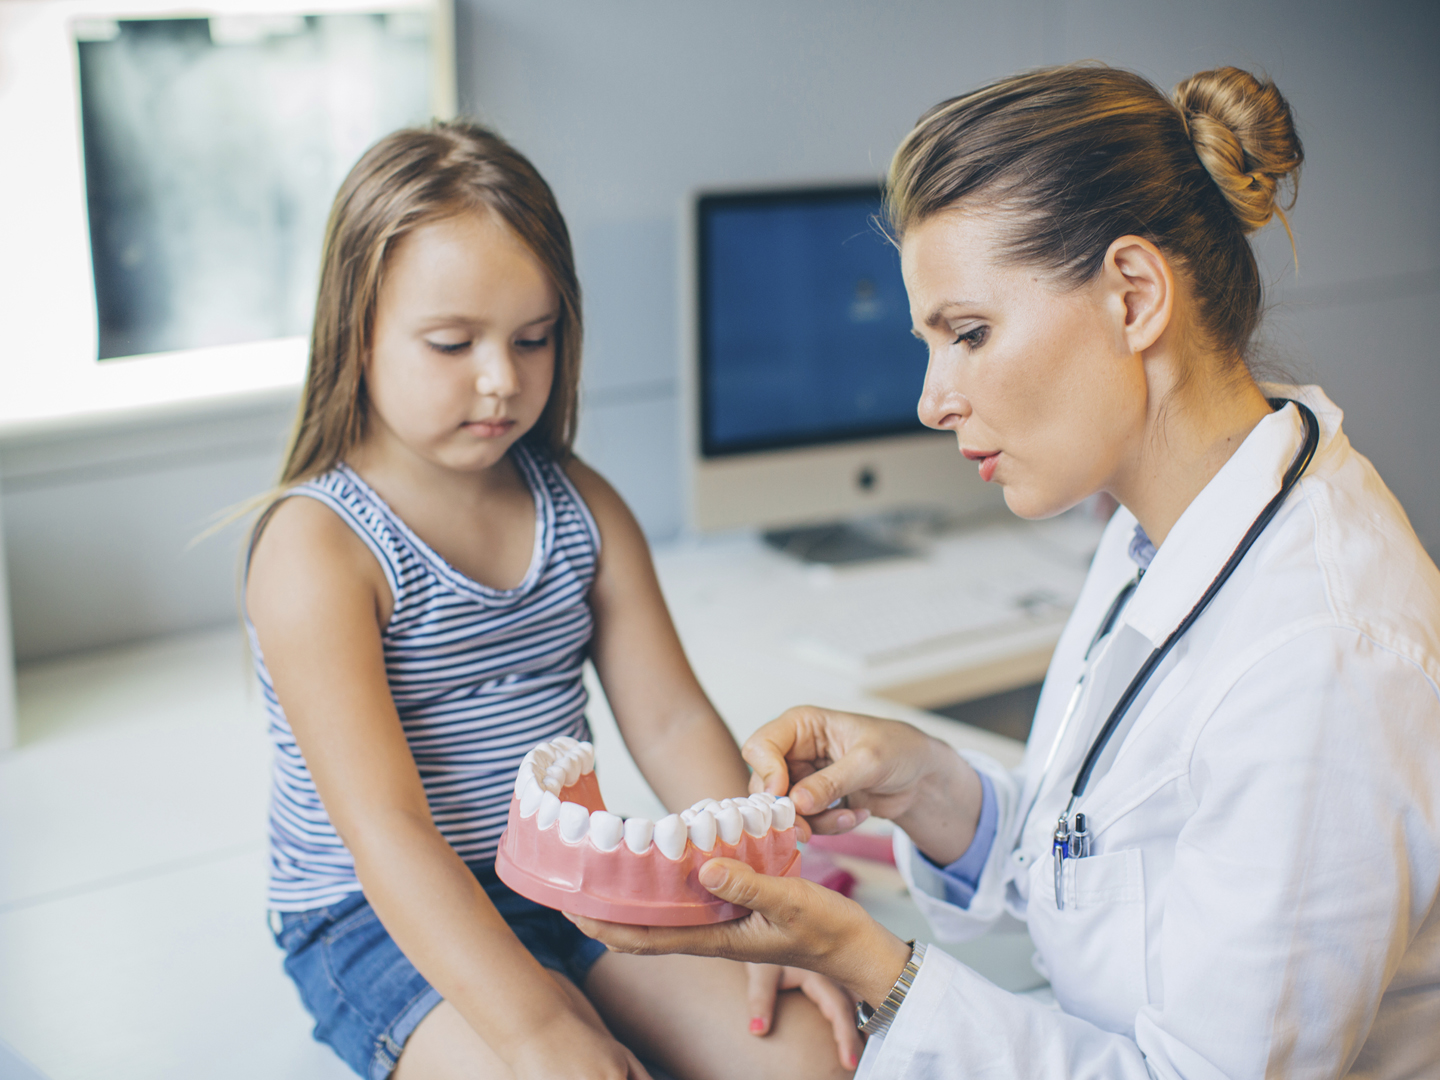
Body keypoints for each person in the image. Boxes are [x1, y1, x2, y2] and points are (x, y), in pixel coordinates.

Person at [570, 65, 1440, 1077]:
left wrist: (866, 965)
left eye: (969, 334)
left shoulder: (1325, 657)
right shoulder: (1167, 520)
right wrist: (928, 785)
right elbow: (1110, 859)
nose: (933, 400)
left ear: (1134, 297)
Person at [245, 121, 862, 1080]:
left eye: (533, 339)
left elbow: (668, 720)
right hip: (375, 915)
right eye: (453, 343)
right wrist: (542, 1031)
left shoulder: (581, 507)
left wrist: (775, 918)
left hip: (570, 874)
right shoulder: (316, 550)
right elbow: (387, 832)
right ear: (355, 328)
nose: (502, 380)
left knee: (816, 1058)